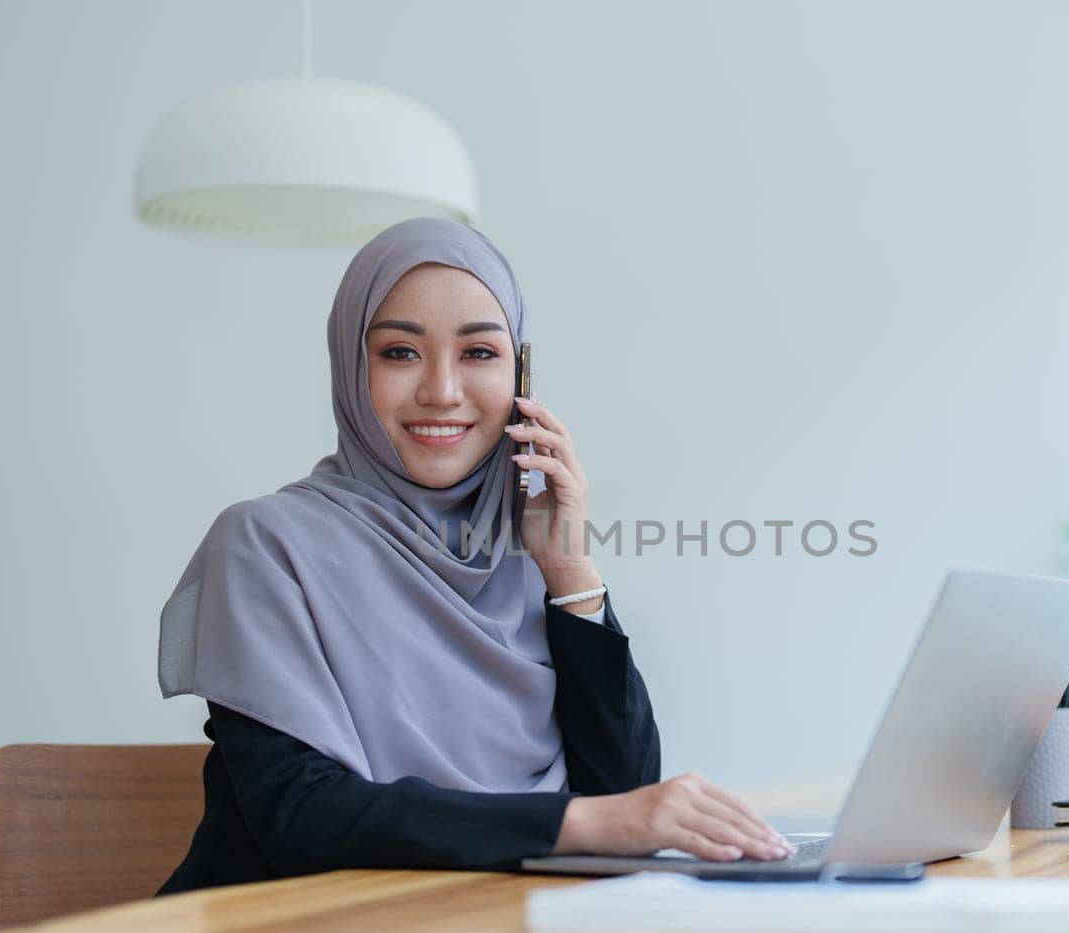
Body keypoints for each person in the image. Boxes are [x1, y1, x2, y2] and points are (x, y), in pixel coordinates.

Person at [155, 217, 791, 894]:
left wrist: (569, 570)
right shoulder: (267, 544)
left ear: (520, 374)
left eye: (479, 353)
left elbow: (624, 801)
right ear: (350, 365)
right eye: (400, 352)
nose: (442, 391)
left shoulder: (521, 555)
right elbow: (302, 815)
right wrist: (575, 825)